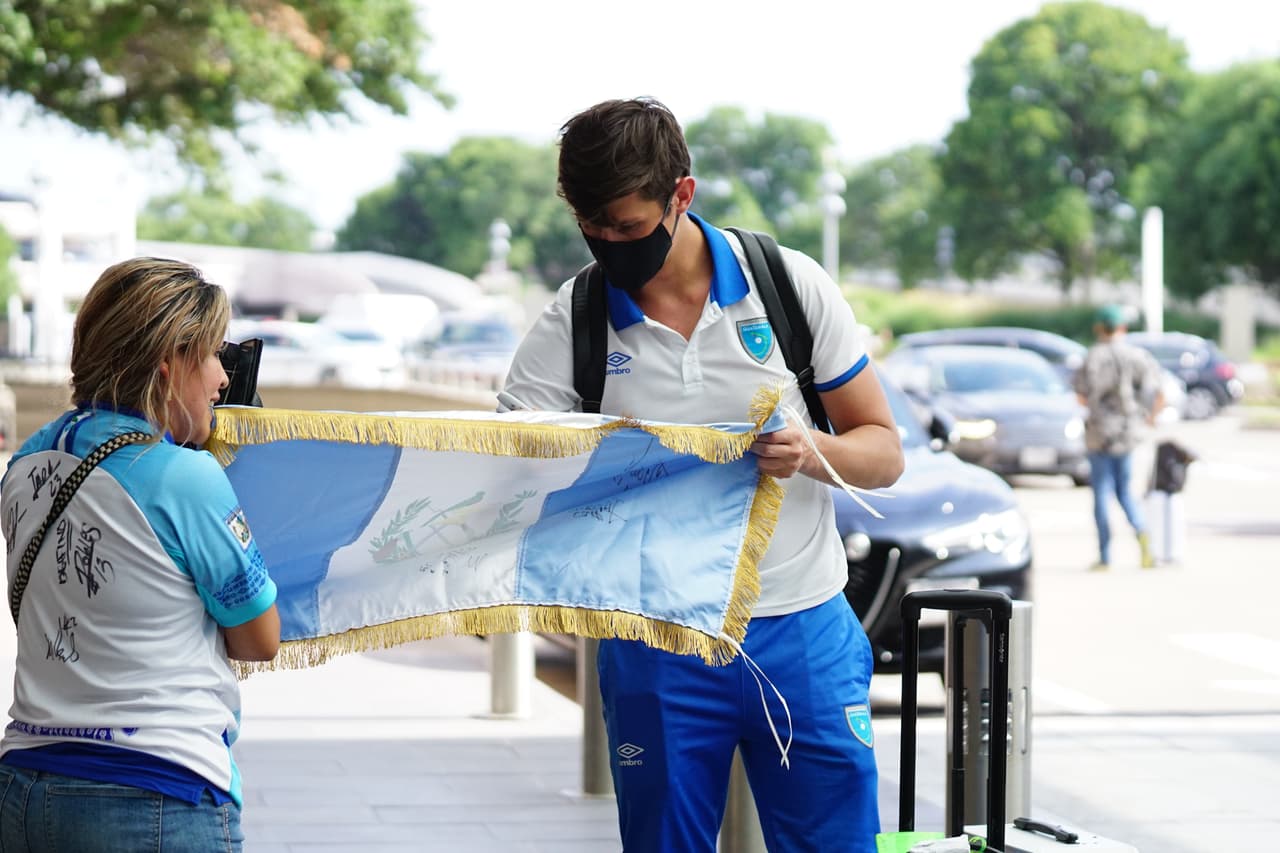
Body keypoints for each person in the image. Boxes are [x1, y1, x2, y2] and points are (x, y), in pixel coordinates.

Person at [503, 97, 903, 852]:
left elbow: (884, 450)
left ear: (681, 194)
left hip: (802, 629)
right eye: (591, 226)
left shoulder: (786, 284)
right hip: (656, 640)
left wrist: (810, 450)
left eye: (625, 226)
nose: (608, 243)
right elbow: (511, 465)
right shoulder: (576, 319)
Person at [0, 257, 280, 852]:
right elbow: (259, 640)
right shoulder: (185, 478)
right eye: (209, 356)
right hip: (152, 794)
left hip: (22, 785)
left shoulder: (26, 462)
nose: (221, 379)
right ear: (168, 360)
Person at [1072, 303, 1165, 571]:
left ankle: (1105, 555)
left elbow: (1080, 395)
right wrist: (1148, 418)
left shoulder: (1092, 357)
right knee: (1125, 491)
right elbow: (1158, 394)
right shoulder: (1137, 356)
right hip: (1127, 432)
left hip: (1099, 433)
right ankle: (1143, 536)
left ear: (1099, 328)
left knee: (1101, 491)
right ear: (1122, 328)